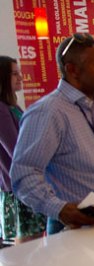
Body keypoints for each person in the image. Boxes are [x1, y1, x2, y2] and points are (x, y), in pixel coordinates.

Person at [11, 33, 94, 233]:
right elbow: (24, 173)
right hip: (73, 225)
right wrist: (60, 209)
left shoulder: (91, 106)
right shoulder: (49, 112)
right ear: (72, 70)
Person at [0, 56, 46, 242]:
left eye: (19, 72)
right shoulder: (2, 109)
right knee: (25, 246)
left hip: (25, 184)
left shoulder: (11, 106)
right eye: (14, 74)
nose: (20, 77)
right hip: (18, 187)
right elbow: (16, 150)